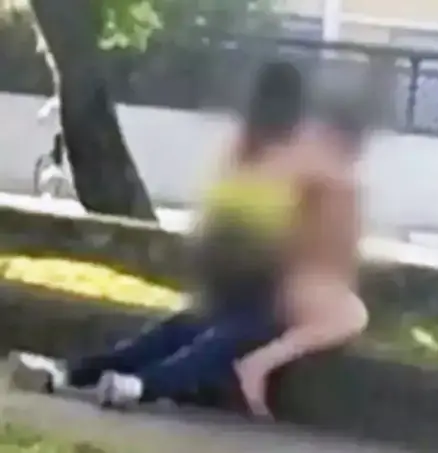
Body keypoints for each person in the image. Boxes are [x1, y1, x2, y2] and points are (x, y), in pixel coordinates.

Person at [9, 62, 369, 419]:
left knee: (182, 335)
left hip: (239, 278)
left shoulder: (246, 148)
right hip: (265, 285)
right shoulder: (303, 158)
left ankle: (75, 374)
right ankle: (128, 384)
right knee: (210, 341)